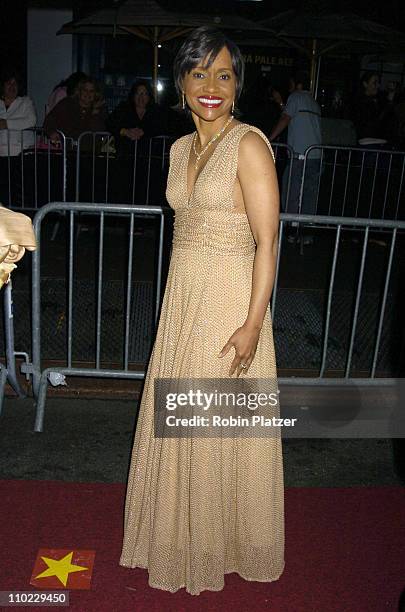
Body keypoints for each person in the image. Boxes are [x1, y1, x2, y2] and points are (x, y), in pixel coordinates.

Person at [119, 26, 285, 595]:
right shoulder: (178, 148)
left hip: (230, 300)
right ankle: (177, 537)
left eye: (224, 75)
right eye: (199, 74)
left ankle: (219, 544)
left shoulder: (250, 144)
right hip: (184, 298)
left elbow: (268, 241)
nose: (211, 86)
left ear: (238, 85)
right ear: (182, 83)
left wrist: (252, 325)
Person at [269, 70, 322, 243]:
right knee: (309, 195)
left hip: (299, 154)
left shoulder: (296, 97)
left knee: (291, 192)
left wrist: (269, 139)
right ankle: (306, 233)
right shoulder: (313, 101)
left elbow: (286, 118)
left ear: (295, 83)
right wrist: (280, 103)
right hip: (316, 155)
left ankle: (292, 231)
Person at [0, 70, 37, 206]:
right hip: (1, 155)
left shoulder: (25, 102)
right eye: (9, 83)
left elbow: (31, 120)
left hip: (20, 155)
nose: (12, 86)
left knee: (19, 194)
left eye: (15, 83)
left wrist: (6, 124)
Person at [43, 77, 107, 143]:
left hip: (90, 151)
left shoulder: (100, 109)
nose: (88, 94)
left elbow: (99, 133)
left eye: (91, 91)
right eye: (85, 90)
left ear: (96, 93)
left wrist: (95, 113)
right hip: (66, 149)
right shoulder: (67, 104)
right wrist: (52, 132)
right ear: (79, 91)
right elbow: (50, 120)